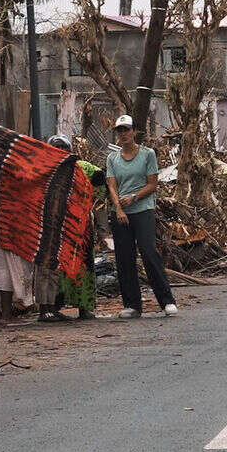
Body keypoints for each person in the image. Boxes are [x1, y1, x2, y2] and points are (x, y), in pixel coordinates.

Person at [105, 115, 177, 319]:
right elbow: (111, 185)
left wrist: (135, 197)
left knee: (148, 252)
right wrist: (118, 208)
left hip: (143, 209)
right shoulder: (113, 158)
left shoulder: (147, 154)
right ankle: (132, 305)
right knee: (124, 258)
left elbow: (153, 184)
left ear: (134, 131)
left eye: (127, 129)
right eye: (120, 130)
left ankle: (167, 301)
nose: (123, 134)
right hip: (121, 213)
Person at [41, 135, 107, 322]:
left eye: (63, 147)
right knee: (56, 268)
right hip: (55, 228)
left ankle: (85, 308)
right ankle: (53, 307)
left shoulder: (82, 167)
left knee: (83, 266)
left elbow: (101, 180)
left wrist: (91, 202)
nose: (60, 150)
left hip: (80, 229)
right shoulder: (45, 170)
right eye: (56, 147)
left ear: (70, 150)